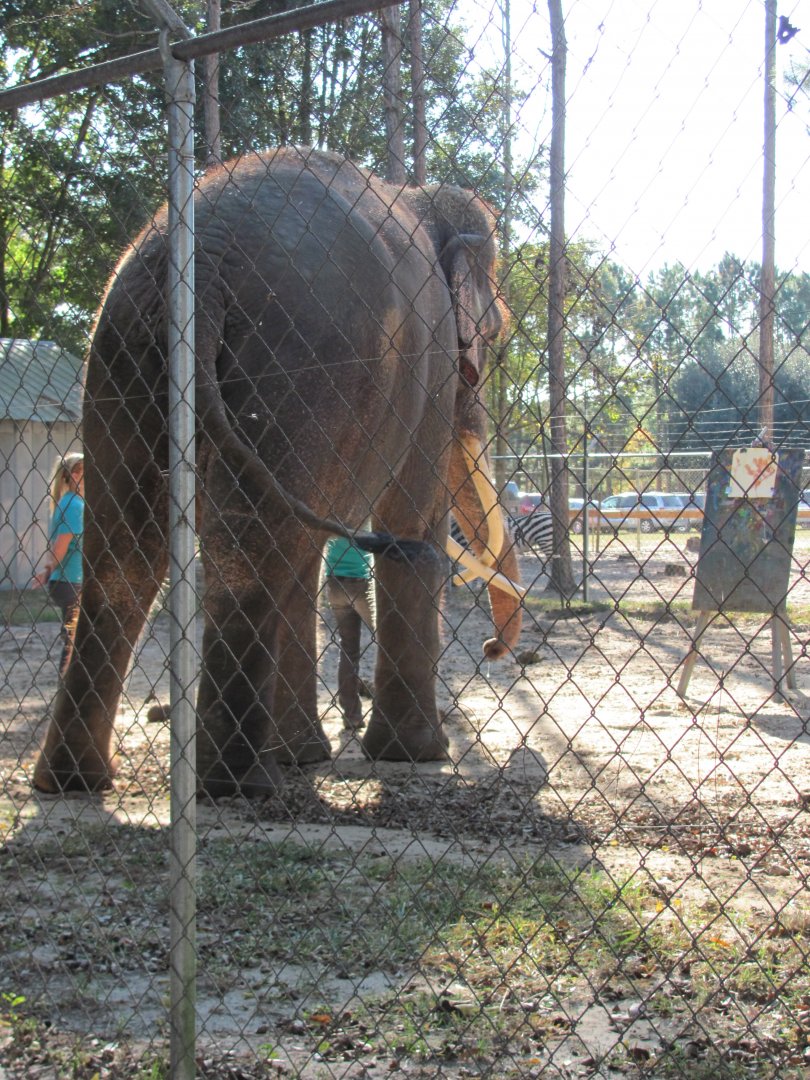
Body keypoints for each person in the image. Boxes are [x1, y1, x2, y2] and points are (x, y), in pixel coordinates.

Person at [33, 452, 85, 675]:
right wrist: (48, 569)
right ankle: (68, 687)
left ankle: (69, 688)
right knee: (77, 639)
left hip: (68, 579)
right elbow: (61, 546)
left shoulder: (68, 502)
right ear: (74, 475)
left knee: (76, 637)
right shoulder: (74, 505)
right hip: (71, 580)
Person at [323, 537, 374, 730]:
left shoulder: (333, 517)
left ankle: (351, 714)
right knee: (388, 644)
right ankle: (386, 707)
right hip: (363, 583)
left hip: (335, 584)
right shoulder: (365, 516)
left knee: (348, 649)